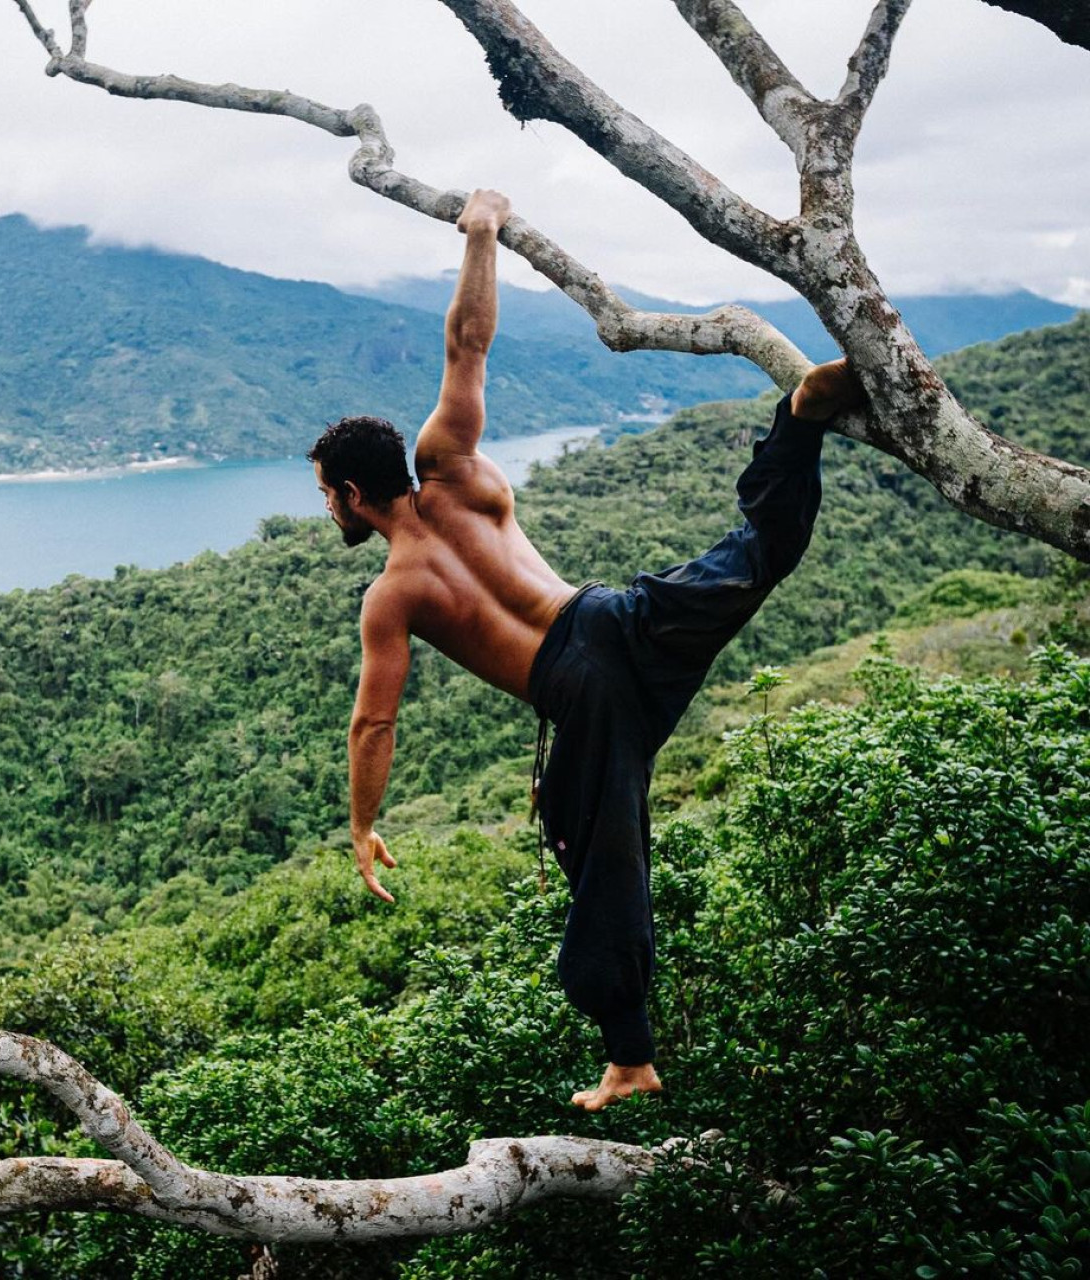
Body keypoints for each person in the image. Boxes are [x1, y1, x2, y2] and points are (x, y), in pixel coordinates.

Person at [307, 188, 863, 1111]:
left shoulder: (392, 594)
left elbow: (374, 723)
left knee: (600, 861)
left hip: (580, 688)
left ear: (357, 494)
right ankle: (798, 422)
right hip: (616, 617)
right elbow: (468, 344)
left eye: (328, 494)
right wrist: (483, 230)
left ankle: (631, 1060)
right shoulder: (455, 465)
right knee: (755, 558)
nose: (327, 508)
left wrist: (363, 825)